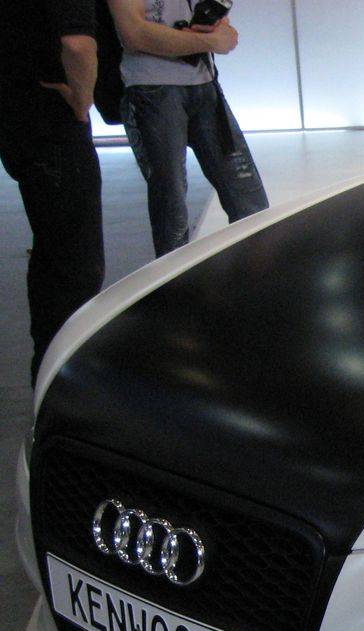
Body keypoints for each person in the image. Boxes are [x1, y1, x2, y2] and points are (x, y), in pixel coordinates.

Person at [107, 0, 268, 257]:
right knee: (172, 214)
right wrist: (209, 41)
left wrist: (215, 31)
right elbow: (134, 33)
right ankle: (175, 282)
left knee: (250, 203)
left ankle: (258, 275)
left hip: (203, 84)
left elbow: (215, 26)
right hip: (153, 89)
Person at [0, 0, 106, 385]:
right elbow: (77, 44)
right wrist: (82, 101)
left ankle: (49, 378)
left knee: (53, 257)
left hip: (18, 114)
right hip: (52, 120)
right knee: (73, 269)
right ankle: (61, 386)